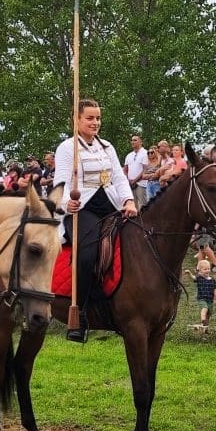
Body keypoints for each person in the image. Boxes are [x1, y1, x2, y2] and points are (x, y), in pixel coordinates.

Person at [53, 98, 137, 343]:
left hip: (109, 205)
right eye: (89, 118)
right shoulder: (68, 148)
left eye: (98, 118)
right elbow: (61, 182)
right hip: (82, 209)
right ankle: (78, 315)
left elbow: (119, 179)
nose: (95, 122)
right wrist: (67, 202)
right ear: (76, 120)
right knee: (87, 253)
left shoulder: (107, 147)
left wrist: (128, 202)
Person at [183, 260, 216, 332]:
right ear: (200, 270)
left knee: (208, 314)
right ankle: (203, 321)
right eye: (205, 269)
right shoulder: (199, 278)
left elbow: (215, 289)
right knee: (204, 308)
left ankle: (206, 329)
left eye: (208, 269)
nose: (207, 270)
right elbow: (193, 277)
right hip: (202, 298)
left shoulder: (212, 280)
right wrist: (189, 273)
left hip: (210, 300)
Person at [123, 134, 148, 208]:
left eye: (135, 140)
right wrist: (128, 180)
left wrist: (135, 181)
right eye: (132, 140)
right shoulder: (129, 155)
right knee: (133, 206)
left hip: (141, 184)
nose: (132, 142)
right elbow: (125, 169)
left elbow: (145, 169)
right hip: (130, 184)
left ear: (141, 142)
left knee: (143, 207)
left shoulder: (145, 153)